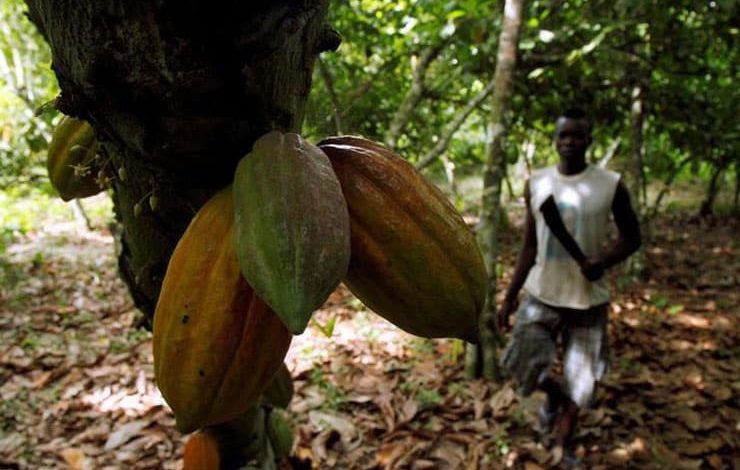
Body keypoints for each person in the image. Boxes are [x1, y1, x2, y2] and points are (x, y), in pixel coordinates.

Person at [496, 107, 641, 464]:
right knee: (521, 363)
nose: (570, 141)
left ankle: (563, 440)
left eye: (577, 135)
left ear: (589, 140)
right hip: (542, 293)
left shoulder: (610, 184)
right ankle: (554, 396)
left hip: (588, 300)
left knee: (583, 380)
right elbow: (529, 247)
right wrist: (510, 298)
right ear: (555, 139)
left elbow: (632, 237)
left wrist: (601, 261)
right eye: (564, 135)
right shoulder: (538, 183)